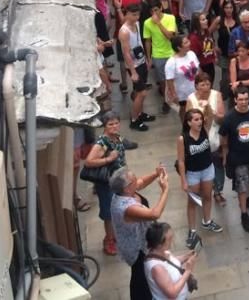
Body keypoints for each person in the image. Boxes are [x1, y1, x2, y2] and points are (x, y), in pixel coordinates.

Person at [110, 165, 170, 300]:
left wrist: (156, 174)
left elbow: (141, 182)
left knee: (145, 276)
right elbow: (155, 214)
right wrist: (165, 189)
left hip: (143, 240)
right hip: (136, 249)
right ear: (126, 188)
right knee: (140, 277)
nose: (137, 180)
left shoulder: (126, 191)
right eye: (134, 179)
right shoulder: (126, 207)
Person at [219, 86, 249, 232]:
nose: (243, 102)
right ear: (235, 100)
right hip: (238, 158)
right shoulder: (229, 118)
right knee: (241, 186)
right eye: (240, 99)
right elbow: (224, 136)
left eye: (246, 99)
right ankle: (244, 213)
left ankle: (247, 199)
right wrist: (225, 154)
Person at [175, 107, 223, 251]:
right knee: (193, 201)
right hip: (193, 173)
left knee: (207, 196)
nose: (199, 122)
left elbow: (210, 115)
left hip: (207, 169)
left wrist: (207, 107)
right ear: (189, 122)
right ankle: (192, 230)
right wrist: (183, 180)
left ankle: (207, 221)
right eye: (196, 119)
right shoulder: (182, 138)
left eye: (200, 119)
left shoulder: (205, 131)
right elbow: (181, 161)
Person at [83, 111, 128, 256]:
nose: (114, 126)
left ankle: (115, 237)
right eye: (110, 124)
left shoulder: (117, 138)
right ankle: (109, 240)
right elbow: (89, 162)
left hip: (119, 180)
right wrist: (108, 159)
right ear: (105, 125)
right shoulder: (102, 142)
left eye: (116, 123)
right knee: (109, 214)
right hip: (107, 183)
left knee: (117, 210)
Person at [186, 73, 226, 206]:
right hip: (199, 141)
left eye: (208, 83)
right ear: (196, 85)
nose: (205, 87)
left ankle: (218, 191)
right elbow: (187, 121)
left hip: (215, 137)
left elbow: (221, 118)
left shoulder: (217, 95)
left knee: (218, 167)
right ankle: (201, 192)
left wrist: (211, 112)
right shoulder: (191, 99)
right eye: (202, 84)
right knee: (201, 169)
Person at [119, 4, 155, 132]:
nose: (136, 17)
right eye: (133, 14)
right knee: (142, 93)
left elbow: (139, 42)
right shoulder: (124, 31)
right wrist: (133, 72)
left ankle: (140, 113)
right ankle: (134, 120)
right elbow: (126, 53)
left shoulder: (137, 24)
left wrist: (146, 59)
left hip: (141, 61)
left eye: (137, 14)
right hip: (134, 65)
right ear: (127, 14)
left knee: (140, 92)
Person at [143, 222, 197, 300]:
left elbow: (171, 262)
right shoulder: (157, 269)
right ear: (159, 244)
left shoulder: (161, 251)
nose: (173, 240)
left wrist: (186, 256)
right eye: (170, 238)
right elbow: (172, 293)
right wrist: (188, 271)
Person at [143, 0, 178, 114]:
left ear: (161, 8)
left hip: (171, 53)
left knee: (173, 78)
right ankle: (166, 100)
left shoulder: (170, 18)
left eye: (156, 10)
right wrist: (149, 58)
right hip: (157, 55)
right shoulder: (147, 23)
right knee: (162, 80)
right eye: (152, 11)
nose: (154, 13)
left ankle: (176, 96)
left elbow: (169, 36)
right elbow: (148, 41)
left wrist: (158, 23)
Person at [164, 36, 200, 123]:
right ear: (179, 47)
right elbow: (169, 80)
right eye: (186, 42)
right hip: (182, 93)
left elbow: (198, 69)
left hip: (195, 90)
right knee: (184, 112)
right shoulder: (172, 62)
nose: (189, 43)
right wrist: (173, 94)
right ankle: (185, 128)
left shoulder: (192, 54)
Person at [228, 40, 249, 107]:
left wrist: (240, 82)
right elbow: (233, 82)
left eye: (243, 51)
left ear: (248, 51)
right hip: (239, 91)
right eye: (239, 51)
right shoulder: (234, 61)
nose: (240, 53)